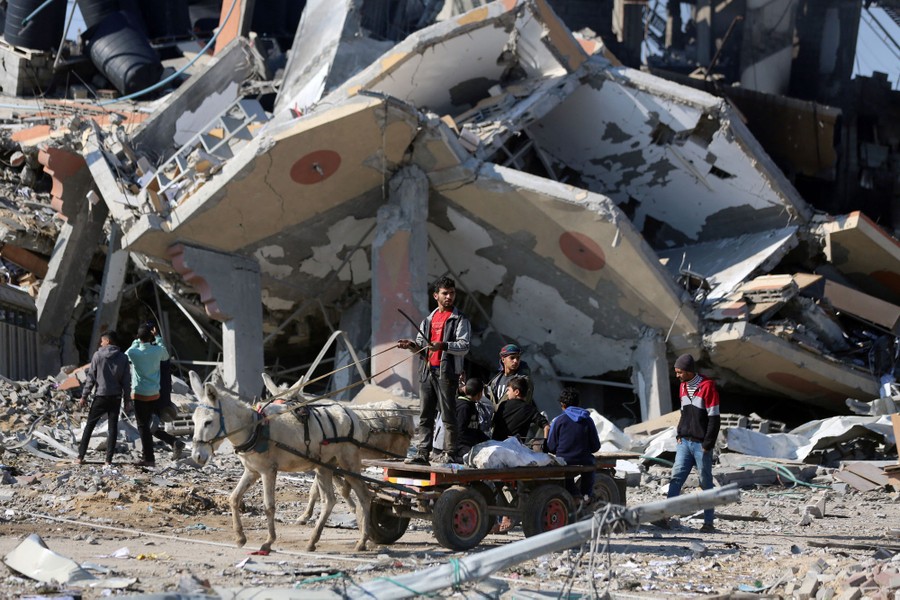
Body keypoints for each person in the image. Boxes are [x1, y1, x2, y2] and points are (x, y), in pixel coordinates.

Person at [398, 276, 471, 465]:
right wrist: (411, 345)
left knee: (448, 415)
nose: (449, 297)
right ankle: (423, 453)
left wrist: (443, 346)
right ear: (435, 295)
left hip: (446, 374)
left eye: (452, 293)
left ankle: (450, 452)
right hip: (427, 373)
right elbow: (422, 348)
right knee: (425, 415)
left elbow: (464, 346)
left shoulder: (459, 319)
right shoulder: (428, 321)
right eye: (445, 293)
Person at [661, 353, 721, 532]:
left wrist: (707, 445)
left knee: (706, 482)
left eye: (680, 372)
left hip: (701, 445)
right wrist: (679, 434)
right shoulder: (682, 387)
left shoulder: (707, 387)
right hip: (684, 443)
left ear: (688, 372)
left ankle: (708, 523)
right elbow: (683, 413)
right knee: (676, 478)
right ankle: (665, 517)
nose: (677, 376)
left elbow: (714, 418)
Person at [126, 323, 184, 466]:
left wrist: (137, 340)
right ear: (151, 336)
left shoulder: (135, 353)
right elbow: (165, 353)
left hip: (139, 395)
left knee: (143, 426)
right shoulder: (158, 351)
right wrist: (157, 337)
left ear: (139, 338)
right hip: (154, 395)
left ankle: (149, 459)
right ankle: (173, 442)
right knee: (149, 425)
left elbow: (127, 353)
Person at [76, 331, 131, 465]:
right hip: (116, 398)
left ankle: (80, 457)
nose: (101, 343)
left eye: (102, 341)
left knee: (89, 426)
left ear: (108, 341)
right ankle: (108, 460)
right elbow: (126, 381)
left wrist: (84, 396)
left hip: (101, 396)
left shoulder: (98, 355)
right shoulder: (123, 358)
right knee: (112, 429)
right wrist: (127, 400)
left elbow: (91, 378)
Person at [546, 387, 601, 502]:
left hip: (565, 461)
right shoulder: (588, 420)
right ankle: (586, 494)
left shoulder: (558, 421)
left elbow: (551, 447)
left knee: (564, 470)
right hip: (584, 460)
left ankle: (573, 493)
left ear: (563, 404)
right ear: (578, 403)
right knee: (590, 465)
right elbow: (596, 447)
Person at [492, 376, 549, 442]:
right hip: (515, 449)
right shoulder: (530, 410)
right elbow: (546, 426)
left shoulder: (503, 405)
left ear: (516, 392)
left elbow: (494, 421)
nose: (507, 393)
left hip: (496, 445)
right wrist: (545, 444)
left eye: (508, 390)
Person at [485, 344, 532, 408]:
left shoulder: (522, 382)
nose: (515, 361)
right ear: (503, 359)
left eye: (518, 358)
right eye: (512, 358)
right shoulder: (495, 380)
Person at [456, 378, 490, 458]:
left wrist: (490, 441)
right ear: (480, 394)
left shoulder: (471, 405)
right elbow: (459, 431)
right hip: (460, 447)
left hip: (469, 444)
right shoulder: (464, 407)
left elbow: (476, 430)